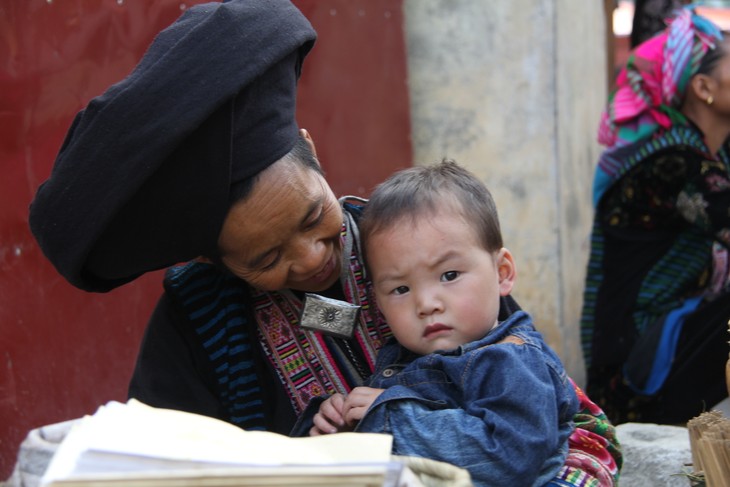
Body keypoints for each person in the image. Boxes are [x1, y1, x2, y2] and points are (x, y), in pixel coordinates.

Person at [27, 0, 621, 485]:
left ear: (312, 148)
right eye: (266, 258)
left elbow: (575, 426)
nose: (313, 258)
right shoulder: (197, 323)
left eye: (315, 215)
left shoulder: (417, 250)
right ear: (213, 259)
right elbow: (166, 464)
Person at [302, 161, 577, 486]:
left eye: (449, 275)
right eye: (400, 289)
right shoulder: (404, 360)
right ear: (378, 299)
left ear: (502, 273)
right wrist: (343, 422)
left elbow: (509, 456)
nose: (426, 304)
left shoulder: (511, 360)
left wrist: (387, 418)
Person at [581, 6, 730, 425]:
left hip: (677, 336)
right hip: (637, 369)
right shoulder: (675, 163)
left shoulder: (714, 154)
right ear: (703, 87)